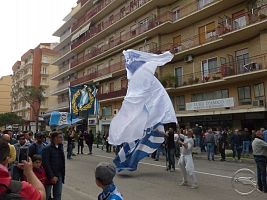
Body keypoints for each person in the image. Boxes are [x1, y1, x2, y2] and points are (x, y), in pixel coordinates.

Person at [42, 131, 65, 200]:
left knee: (58, 194)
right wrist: (52, 176)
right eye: (60, 137)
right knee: (46, 195)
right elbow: (46, 163)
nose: (62, 139)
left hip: (59, 174)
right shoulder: (47, 148)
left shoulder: (60, 147)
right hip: (49, 176)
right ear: (55, 138)